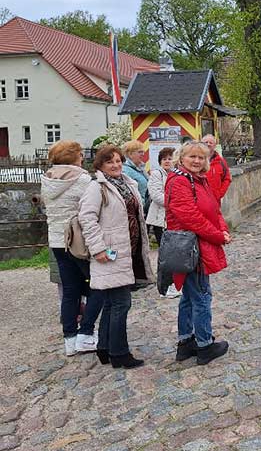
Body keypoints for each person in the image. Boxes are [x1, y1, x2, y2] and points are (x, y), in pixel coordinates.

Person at [79, 145, 154, 368]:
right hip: (109, 252)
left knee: (112, 303)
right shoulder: (97, 188)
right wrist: (98, 248)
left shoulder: (126, 183)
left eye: (118, 161)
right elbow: (87, 219)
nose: (116, 165)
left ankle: (105, 348)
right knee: (122, 302)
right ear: (100, 165)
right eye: (110, 162)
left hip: (127, 250)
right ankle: (119, 353)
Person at [165, 141, 231, 365]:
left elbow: (213, 208)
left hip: (197, 244)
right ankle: (204, 345)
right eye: (192, 156)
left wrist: (222, 228)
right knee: (202, 296)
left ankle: (186, 342)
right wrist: (217, 235)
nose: (196, 161)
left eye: (201, 157)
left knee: (189, 296)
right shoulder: (179, 181)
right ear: (181, 158)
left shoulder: (198, 180)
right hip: (190, 247)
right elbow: (190, 217)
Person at [41, 140, 103, 357]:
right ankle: (86, 333)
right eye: (80, 154)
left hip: (57, 242)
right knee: (98, 286)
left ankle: (70, 339)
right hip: (78, 242)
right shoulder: (83, 180)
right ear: (75, 157)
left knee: (70, 291)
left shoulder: (47, 181)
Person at [145, 146, 180, 299]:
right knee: (165, 254)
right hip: (160, 219)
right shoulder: (156, 175)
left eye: (170, 158)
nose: (167, 161)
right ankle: (164, 287)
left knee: (173, 253)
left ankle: (173, 283)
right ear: (160, 161)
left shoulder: (175, 174)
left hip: (172, 218)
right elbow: (156, 195)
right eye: (165, 159)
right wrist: (176, 202)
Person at [201, 134, 232, 204]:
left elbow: (227, 178)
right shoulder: (196, 160)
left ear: (215, 146)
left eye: (211, 142)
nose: (208, 144)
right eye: (206, 142)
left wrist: (220, 193)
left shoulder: (221, 161)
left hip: (215, 200)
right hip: (199, 200)